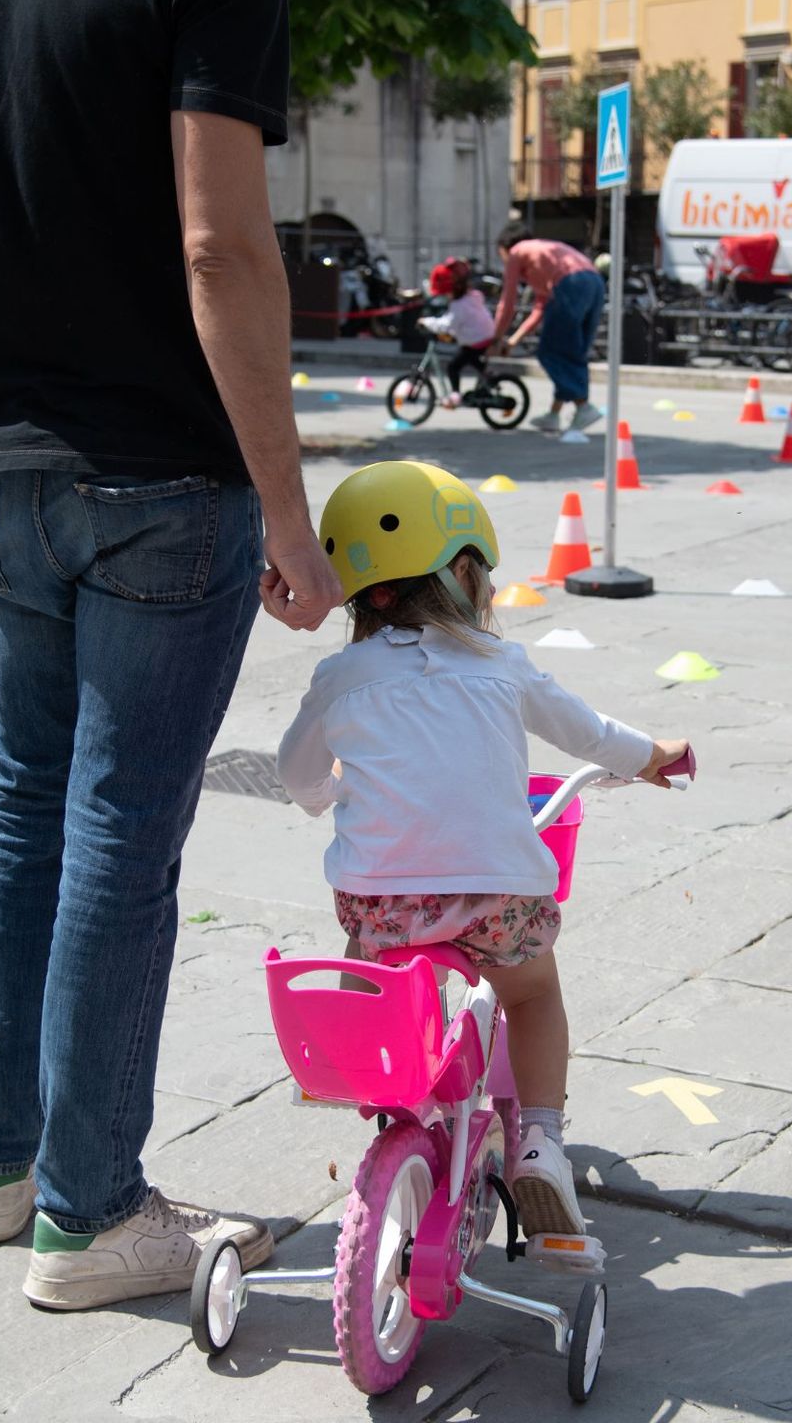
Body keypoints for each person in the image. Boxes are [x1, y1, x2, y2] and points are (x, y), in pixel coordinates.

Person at [0, 0, 342, 1311]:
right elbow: (223, 247)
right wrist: (286, 506)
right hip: (157, 476)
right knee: (120, 831)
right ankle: (92, 1219)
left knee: (24, 800)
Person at [277, 461, 688, 1232]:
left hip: (382, 904)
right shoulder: (503, 665)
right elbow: (592, 735)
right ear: (464, 571)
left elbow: (295, 775)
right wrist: (655, 757)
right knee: (533, 997)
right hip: (497, 898)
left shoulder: (342, 676)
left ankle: (383, 1083)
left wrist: (327, 794)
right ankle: (539, 1141)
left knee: (374, 953)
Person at [490, 223, 605, 434]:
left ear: (505, 248)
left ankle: (583, 406)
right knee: (572, 352)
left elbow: (508, 302)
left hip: (571, 283)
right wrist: (514, 339)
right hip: (594, 282)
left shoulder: (517, 251)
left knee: (550, 352)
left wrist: (495, 339)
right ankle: (554, 415)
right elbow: (541, 307)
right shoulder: (542, 254)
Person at [418, 256, 494, 407]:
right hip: (485, 335)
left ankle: (455, 396)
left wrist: (427, 322)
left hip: (475, 340)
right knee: (470, 358)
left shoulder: (459, 306)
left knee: (453, 366)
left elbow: (447, 325)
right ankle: (488, 376)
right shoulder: (473, 296)